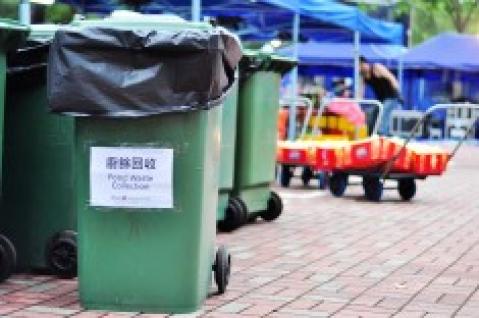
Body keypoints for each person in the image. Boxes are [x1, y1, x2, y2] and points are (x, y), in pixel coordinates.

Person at [359, 56, 401, 135]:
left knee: (382, 117)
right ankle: (372, 136)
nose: (358, 69)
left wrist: (398, 92)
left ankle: (381, 136)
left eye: (359, 66)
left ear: (363, 63)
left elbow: (391, 78)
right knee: (372, 118)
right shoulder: (363, 76)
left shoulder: (376, 68)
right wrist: (358, 103)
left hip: (391, 96)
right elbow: (361, 91)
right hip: (381, 100)